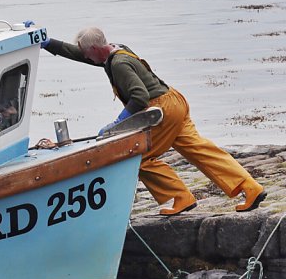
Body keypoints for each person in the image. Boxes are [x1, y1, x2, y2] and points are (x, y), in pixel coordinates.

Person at [42, 26, 265, 216]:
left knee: (140, 156)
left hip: (162, 109)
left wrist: (118, 123)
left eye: (87, 54)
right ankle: (250, 187)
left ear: (96, 49)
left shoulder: (118, 65)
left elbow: (140, 96)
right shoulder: (117, 50)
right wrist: (49, 43)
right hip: (175, 100)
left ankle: (180, 197)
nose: (86, 58)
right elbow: (80, 54)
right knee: (200, 149)